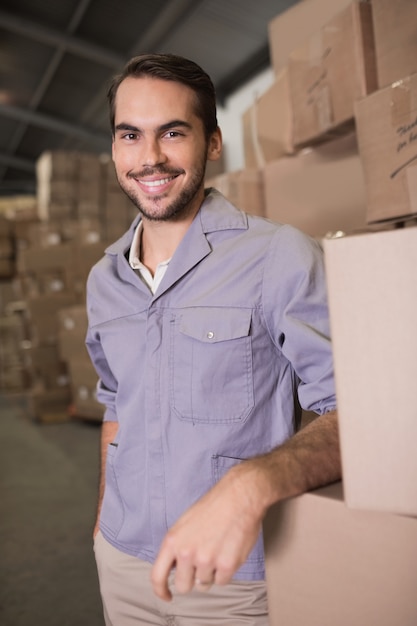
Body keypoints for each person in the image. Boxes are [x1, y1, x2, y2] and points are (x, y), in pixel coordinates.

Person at [85, 52, 341, 626]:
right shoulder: (104, 280)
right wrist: (103, 524)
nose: (149, 158)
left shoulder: (278, 256)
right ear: (114, 147)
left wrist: (251, 484)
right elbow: (114, 407)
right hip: (122, 564)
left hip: (233, 579)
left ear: (214, 142)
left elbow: (354, 415)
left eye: (172, 133)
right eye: (130, 135)